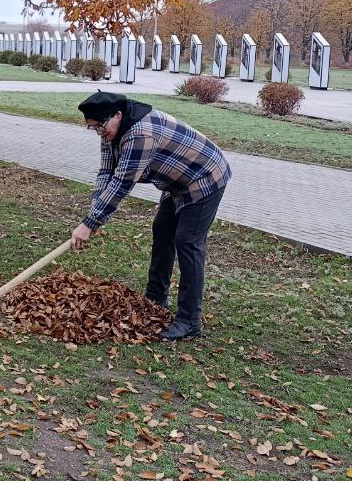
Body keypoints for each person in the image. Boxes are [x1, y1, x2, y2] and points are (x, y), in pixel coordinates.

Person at [70, 90, 231, 340]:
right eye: (93, 129)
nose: (100, 133)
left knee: (187, 241)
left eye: (100, 126)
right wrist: (94, 214)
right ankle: (155, 301)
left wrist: (90, 224)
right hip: (176, 183)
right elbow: (106, 172)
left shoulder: (139, 134)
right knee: (163, 230)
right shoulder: (110, 131)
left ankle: (189, 321)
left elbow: (122, 183)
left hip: (205, 177)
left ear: (118, 115)